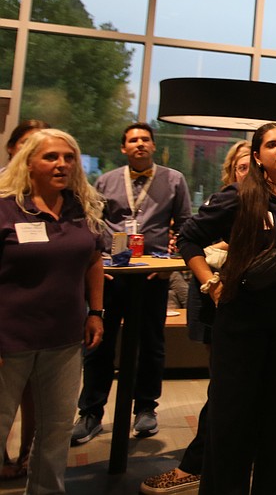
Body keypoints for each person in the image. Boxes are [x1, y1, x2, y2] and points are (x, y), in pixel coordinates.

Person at [178, 123, 276, 495]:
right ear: (257, 156)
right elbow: (189, 237)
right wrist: (208, 282)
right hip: (242, 326)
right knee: (232, 420)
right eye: (272, 144)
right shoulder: (239, 197)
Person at [139, 140, 250, 495]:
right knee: (222, 387)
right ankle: (199, 465)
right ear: (232, 171)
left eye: (254, 167)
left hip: (254, 308)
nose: (248, 173)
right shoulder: (223, 203)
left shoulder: (275, 209)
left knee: (235, 391)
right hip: (215, 301)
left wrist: (223, 248)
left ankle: (208, 464)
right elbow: (189, 242)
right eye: (242, 167)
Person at [0, 129, 106, 494]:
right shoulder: (6, 207)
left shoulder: (82, 208)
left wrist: (96, 312)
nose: (61, 164)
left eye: (68, 157)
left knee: (57, 429)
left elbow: (94, 260)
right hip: (8, 339)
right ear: (28, 163)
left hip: (64, 339)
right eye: (51, 157)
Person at [73, 123, 193, 445]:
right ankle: (91, 412)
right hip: (112, 274)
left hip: (151, 275)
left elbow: (183, 226)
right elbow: (94, 224)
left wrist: (170, 265)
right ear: (124, 148)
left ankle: (145, 409)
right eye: (132, 140)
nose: (139, 144)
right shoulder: (106, 180)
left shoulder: (174, 179)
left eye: (145, 139)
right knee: (99, 342)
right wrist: (97, 266)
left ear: (153, 146)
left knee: (151, 343)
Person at [0, 119, 50, 482]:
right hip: (9, 311)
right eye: (27, 144)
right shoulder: (2, 193)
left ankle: (29, 452)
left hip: (50, 309)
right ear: (13, 149)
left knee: (39, 392)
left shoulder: (63, 196)